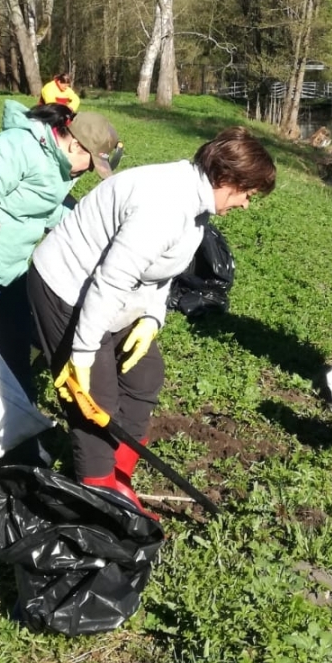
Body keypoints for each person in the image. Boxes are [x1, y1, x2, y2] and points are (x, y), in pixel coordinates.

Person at [27, 126, 276, 515]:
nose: (246, 204)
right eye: (248, 194)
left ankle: (119, 481)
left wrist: (151, 318)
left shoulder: (193, 207)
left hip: (115, 294)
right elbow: (111, 280)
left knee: (145, 375)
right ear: (226, 179)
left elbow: (159, 271)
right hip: (68, 285)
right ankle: (100, 505)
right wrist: (83, 352)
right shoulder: (164, 204)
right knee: (95, 401)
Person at [0, 102, 123, 397]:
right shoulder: (16, 148)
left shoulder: (61, 167)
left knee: (16, 348)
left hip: (10, 271)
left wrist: (97, 232)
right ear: (76, 146)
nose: (87, 173)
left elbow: (44, 209)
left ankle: (21, 426)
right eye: (92, 164)